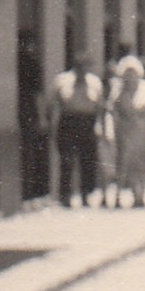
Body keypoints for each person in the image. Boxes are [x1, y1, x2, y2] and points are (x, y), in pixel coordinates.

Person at [49, 52, 105, 207]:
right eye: (80, 66)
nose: (83, 70)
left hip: (88, 122)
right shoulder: (62, 80)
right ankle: (65, 196)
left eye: (86, 66)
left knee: (87, 160)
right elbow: (53, 103)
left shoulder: (95, 83)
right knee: (66, 160)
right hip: (68, 121)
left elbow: (100, 106)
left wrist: (100, 125)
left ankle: (86, 194)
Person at [108, 55, 145, 208]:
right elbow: (113, 112)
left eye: (133, 73)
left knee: (144, 166)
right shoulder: (118, 91)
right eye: (127, 73)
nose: (130, 76)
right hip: (125, 134)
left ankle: (140, 196)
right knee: (125, 165)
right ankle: (124, 196)